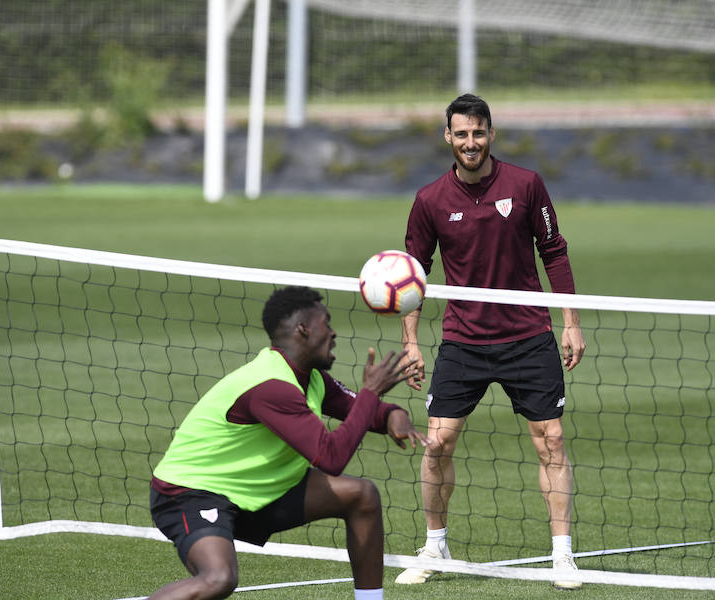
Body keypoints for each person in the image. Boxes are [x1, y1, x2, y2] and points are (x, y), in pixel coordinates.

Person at [394, 94, 586, 590]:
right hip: (463, 341)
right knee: (437, 442)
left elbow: (554, 252)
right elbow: (413, 275)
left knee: (552, 442)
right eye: (461, 134)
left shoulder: (526, 185)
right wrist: (411, 342)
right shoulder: (429, 200)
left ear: (491, 134)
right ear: (448, 138)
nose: (470, 142)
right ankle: (435, 544)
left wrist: (570, 321)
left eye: (478, 133)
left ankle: (562, 557)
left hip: (528, 337)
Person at [147, 285, 429, 600]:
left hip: (256, 491)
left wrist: (393, 415)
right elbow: (332, 457)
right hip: (192, 492)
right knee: (218, 578)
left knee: (361, 496)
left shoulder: (312, 377)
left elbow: (364, 411)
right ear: (303, 329)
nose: (334, 333)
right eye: (327, 322)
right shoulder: (272, 386)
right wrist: (372, 392)